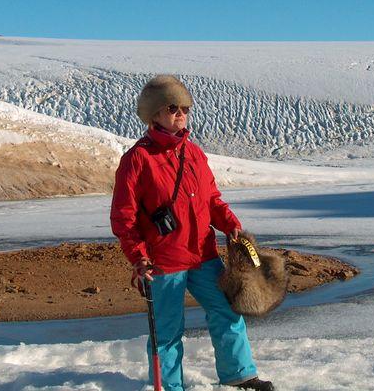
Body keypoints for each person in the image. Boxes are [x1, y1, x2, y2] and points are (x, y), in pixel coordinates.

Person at [111, 74, 275, 391]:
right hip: (163, 261)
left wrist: (230, 224)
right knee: (168, 330)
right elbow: (124, 218)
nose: (181, 113)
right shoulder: (137, 160)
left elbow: (212, 200)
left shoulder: (195, 154)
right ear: (154, 113)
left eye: (185, 107)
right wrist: (138, 258)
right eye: (173, 107)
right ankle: (170, 386)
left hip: (203, 254)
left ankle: (239, 374)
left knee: (227, 311)